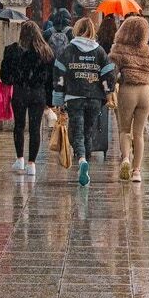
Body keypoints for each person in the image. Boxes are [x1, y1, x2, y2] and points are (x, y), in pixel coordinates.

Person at [55, 16, 115, 186]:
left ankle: (81, 159)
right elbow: (108, 74)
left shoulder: (69, 50)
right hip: (95, 98)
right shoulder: (100, 51)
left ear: (77, 30)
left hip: (75, 96)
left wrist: (58, 98)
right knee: (88, 132)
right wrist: (106, 93)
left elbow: (59, 75)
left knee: (77, 133)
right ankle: (85, 162)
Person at [108, 15, 149, 184]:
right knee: (139, 134)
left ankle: (126, 159)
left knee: (124, 130)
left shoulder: (119, 50)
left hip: (128, 90)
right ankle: (137, 172)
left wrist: (110, 88)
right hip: (145, 92)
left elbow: (112, 73)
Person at [0, 20, 55, 175]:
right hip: (38, 94)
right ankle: (32, 164)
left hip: (20, 92)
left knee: (19, 125)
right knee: (35, 128)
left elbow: (5, 76)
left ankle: (20, 159)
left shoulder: (12, 50)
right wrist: (50, 102)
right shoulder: (46, 52)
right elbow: (51, 80)